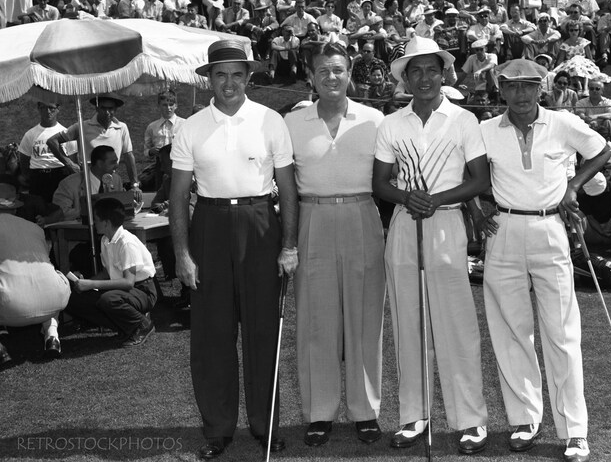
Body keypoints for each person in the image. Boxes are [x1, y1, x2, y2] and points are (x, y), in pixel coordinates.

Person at [470, 58, 609, 462]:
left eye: (529, 85)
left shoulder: (563, 122)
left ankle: (574, 431)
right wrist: (475, 207)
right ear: (502, 90)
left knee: (562, 331)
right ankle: (525, 419)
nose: (521, 94)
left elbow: (601, 151)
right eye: (512, 86)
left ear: (541, 87)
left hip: (550, 228)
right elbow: (468, 173)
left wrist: (573, 186)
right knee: (511, 328)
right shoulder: (484, 130)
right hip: (504, 229)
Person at [169, 39, 298, 459]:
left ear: (249, 78)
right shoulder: (190, 127)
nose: (229, 82)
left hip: (260, 223)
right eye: (220, 74)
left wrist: (289, 245)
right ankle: (218, 429)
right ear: (209, 77)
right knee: (212, 335)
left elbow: (290, 189)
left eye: (237, 74)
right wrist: (183, 254)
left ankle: (266, 426)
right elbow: (177, 198)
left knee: (263, 331)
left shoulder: (271, 120)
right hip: (209, 225)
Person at [372, 36, 490, 454]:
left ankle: (470, 420)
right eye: (415, 71)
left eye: (431, 70)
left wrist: (436, 198)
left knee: (456, 323)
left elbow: (479, 179)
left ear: (443, 74)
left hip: (446, 224)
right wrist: (406, 197)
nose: (424, 78)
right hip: (405, 225)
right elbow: (379, 183)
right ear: (405, 77)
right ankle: (414, 415)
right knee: (408, 321)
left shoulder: (463, 120)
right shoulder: (391, 123)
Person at [284, 44, 386, 447]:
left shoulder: (375, 120)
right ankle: (320, 412)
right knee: (316, 319)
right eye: (323, 70)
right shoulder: (292, 122)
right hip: (313, 218)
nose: (331, 77)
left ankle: (365, 411)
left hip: (363, 214)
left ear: (350, 75)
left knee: (365, 318)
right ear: (311, 76)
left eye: (338, 70)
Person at [65, 197, 157, 347]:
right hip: (125, 290)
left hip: (143, 289)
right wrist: (83, 283)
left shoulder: (126, 242)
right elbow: (107, 272)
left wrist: (91, 284)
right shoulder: (105, 240)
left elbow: (128, 282)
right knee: (74, 299)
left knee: (109, 299)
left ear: (106, 222)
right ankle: (126, 327)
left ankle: (142, 324)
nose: (94, 223)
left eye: (96, 219)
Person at [0, 182, 69, 360]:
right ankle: (52, 335)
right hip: (54, 300)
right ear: (14, 208)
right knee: (49, 276)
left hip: (11, 307)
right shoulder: (35, 228)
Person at [47, 93, 140, 191]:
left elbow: (128, 156)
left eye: (111, 108)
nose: (107, 112)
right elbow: (52, 141)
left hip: (112, 178)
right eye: (103, 108)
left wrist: (135, 185)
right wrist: (69, 163)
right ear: (97, 108)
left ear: (116, 109)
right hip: (88, 179)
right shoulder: (82, 126)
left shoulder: (122, 127)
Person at [18, 102, 69, 204]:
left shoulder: (65, 132)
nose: (48, 111)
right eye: (43, 108)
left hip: (59, 175)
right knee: (38, 209)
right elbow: (24, 157)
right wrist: (28, 175)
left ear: (58, 109)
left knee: (59, 208)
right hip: (38, 177)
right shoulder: (31, 134)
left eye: (51, 108)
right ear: (38, 108)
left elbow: (72, 158)